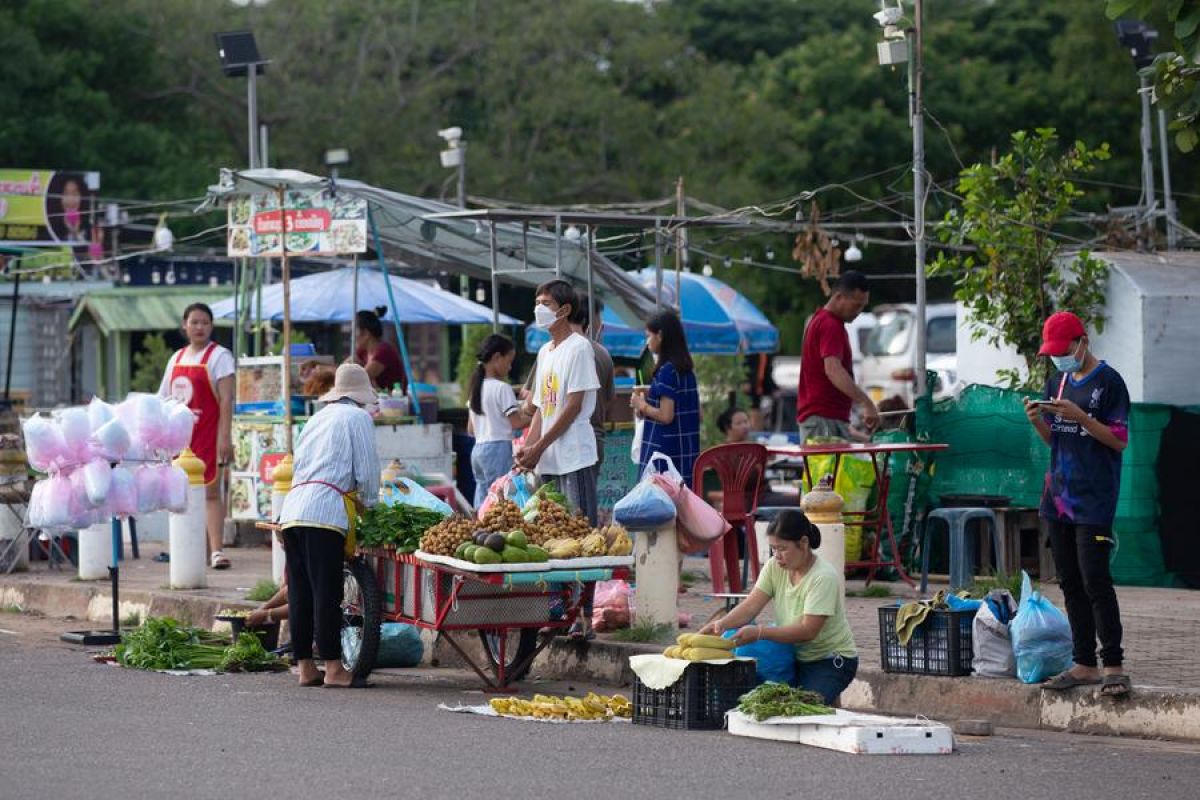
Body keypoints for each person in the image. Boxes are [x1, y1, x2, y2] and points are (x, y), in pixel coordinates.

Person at [1025, 311, 1131, 698]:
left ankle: (1114, 665)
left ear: (1082, 342)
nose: (1057, 358)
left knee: (1095, 580)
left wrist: (1082, 416)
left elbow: (1118, 440)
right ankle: (1083, 662)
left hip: (1094, 500)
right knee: (1069, 581)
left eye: (1062, 350)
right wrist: (1038, 419)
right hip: (1058, 499)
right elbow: (1058, 441)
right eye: (1052, 353)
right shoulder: (1059, 381)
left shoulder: (1109, 383)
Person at [277, 363, 380, 688]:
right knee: (326, 591)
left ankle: (306, 667)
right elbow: (366, 471)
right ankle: (334, 668)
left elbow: (300, 464)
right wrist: (372, 507)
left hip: (293, 509)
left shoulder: (317, 418)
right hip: (325, 512)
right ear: (360, 396)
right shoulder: (358, 418)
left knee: (301, 590)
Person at [699, 508, 858, 705]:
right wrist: (719, 625)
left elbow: (808, 631)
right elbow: (751, 606)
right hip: (794, 655)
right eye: (773, 548)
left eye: (783, 548)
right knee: (765, 702)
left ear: (804, 543)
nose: (777, 555)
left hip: (830, 660)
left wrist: (759, 632)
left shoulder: (823, 577)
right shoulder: (775, 567)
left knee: (802, 709)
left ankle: (830, 690)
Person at [515, 280, 601, 522]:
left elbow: (573, 406)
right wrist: (528, 449)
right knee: (555, 530)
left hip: (574, 455)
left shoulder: (579, 348)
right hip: (549, 459)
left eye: (546, 303)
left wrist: (538, 447)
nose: (539, 309)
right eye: (537, 303)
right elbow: (542, 407)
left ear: (564, 311)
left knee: (580, 526)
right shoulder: (545, 352)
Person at [160, 302, 235, 570]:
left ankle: (217, 550)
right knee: (184, 494)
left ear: (211, 326)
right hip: (182, 437)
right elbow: (164, 400)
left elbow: (226, 400)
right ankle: (193, 549)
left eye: (205, 322)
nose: (199, 327)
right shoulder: (176, 359)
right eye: (194, 322)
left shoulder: (220, 357)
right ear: (185, 326)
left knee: (211, 491)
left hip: (210, 432)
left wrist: (224, 438)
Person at [522, 298, 616, 468]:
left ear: (565, 311)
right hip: (592, 439)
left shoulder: (557, 351)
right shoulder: (603, 354)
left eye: (546, 303)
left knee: (567, 495)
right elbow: (609, 403)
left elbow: (535, 406)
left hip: (568, 446)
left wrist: (533, 446)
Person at [796, 270, 879, 442]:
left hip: (825, 418)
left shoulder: (821, 320)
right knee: (826, 470)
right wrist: (866, 403)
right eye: (856, 305)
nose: (859, 311)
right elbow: (833, 370)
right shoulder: (830, 325)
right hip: (823, 420)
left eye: (863, 306)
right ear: (839, 297)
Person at [633, 310, 701, 487]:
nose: (647, 342)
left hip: (665, 453)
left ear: (660, 335)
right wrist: (651, 398)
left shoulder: (667, 371)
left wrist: (641, 404)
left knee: (662, 509)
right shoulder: (686, 371)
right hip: (685, 451)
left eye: (649, 336)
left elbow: (666, 415)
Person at [467, 334, 531, 508]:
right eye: (509, 361)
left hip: (478, 450)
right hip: (497, 449)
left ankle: (480, 530)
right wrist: (536, 415)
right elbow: (516, 423)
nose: (510, 367)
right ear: (496, 357)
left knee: (483, 497)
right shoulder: (502, 388)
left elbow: (471, 429)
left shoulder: (476, 388)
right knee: (499, 498)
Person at [354, 306, 407, 392]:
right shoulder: (363, 351)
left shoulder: (384, 352)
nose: (352, 336)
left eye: (354, 331)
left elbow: (361, 379)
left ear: (366, 334)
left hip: (394, 402)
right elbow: (344, 369)